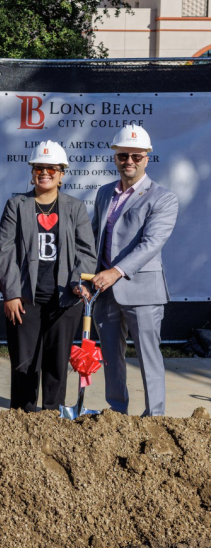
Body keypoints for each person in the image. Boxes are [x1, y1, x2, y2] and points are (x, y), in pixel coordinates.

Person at [0, 141, 96, 412]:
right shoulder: (16, 205)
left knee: (56, 364)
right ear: (32, 172)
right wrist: (11, 293)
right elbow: (5, 251)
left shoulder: (75, 208)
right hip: (25, 301)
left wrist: (79, 283)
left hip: (64, 301)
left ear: (62, 174)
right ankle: (23, 418)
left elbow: (87, 252)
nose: (45, 173)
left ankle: (53, 418)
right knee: (24, 364)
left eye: (52, 169)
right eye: (40, 167)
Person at [88, 125, 178, 417]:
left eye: (136, 156)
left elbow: (151, 244)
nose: (129, 161)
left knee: (149, 358)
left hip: (142, 291)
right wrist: (88, 277)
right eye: (123, 155)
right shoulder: (104, 193)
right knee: (111, 359)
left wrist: (115, 272)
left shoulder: (163, 198)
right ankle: (116, 414)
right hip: (104, 292)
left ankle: (155, 418)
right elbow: (94, 239)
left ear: (147, 158)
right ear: (115, 156)